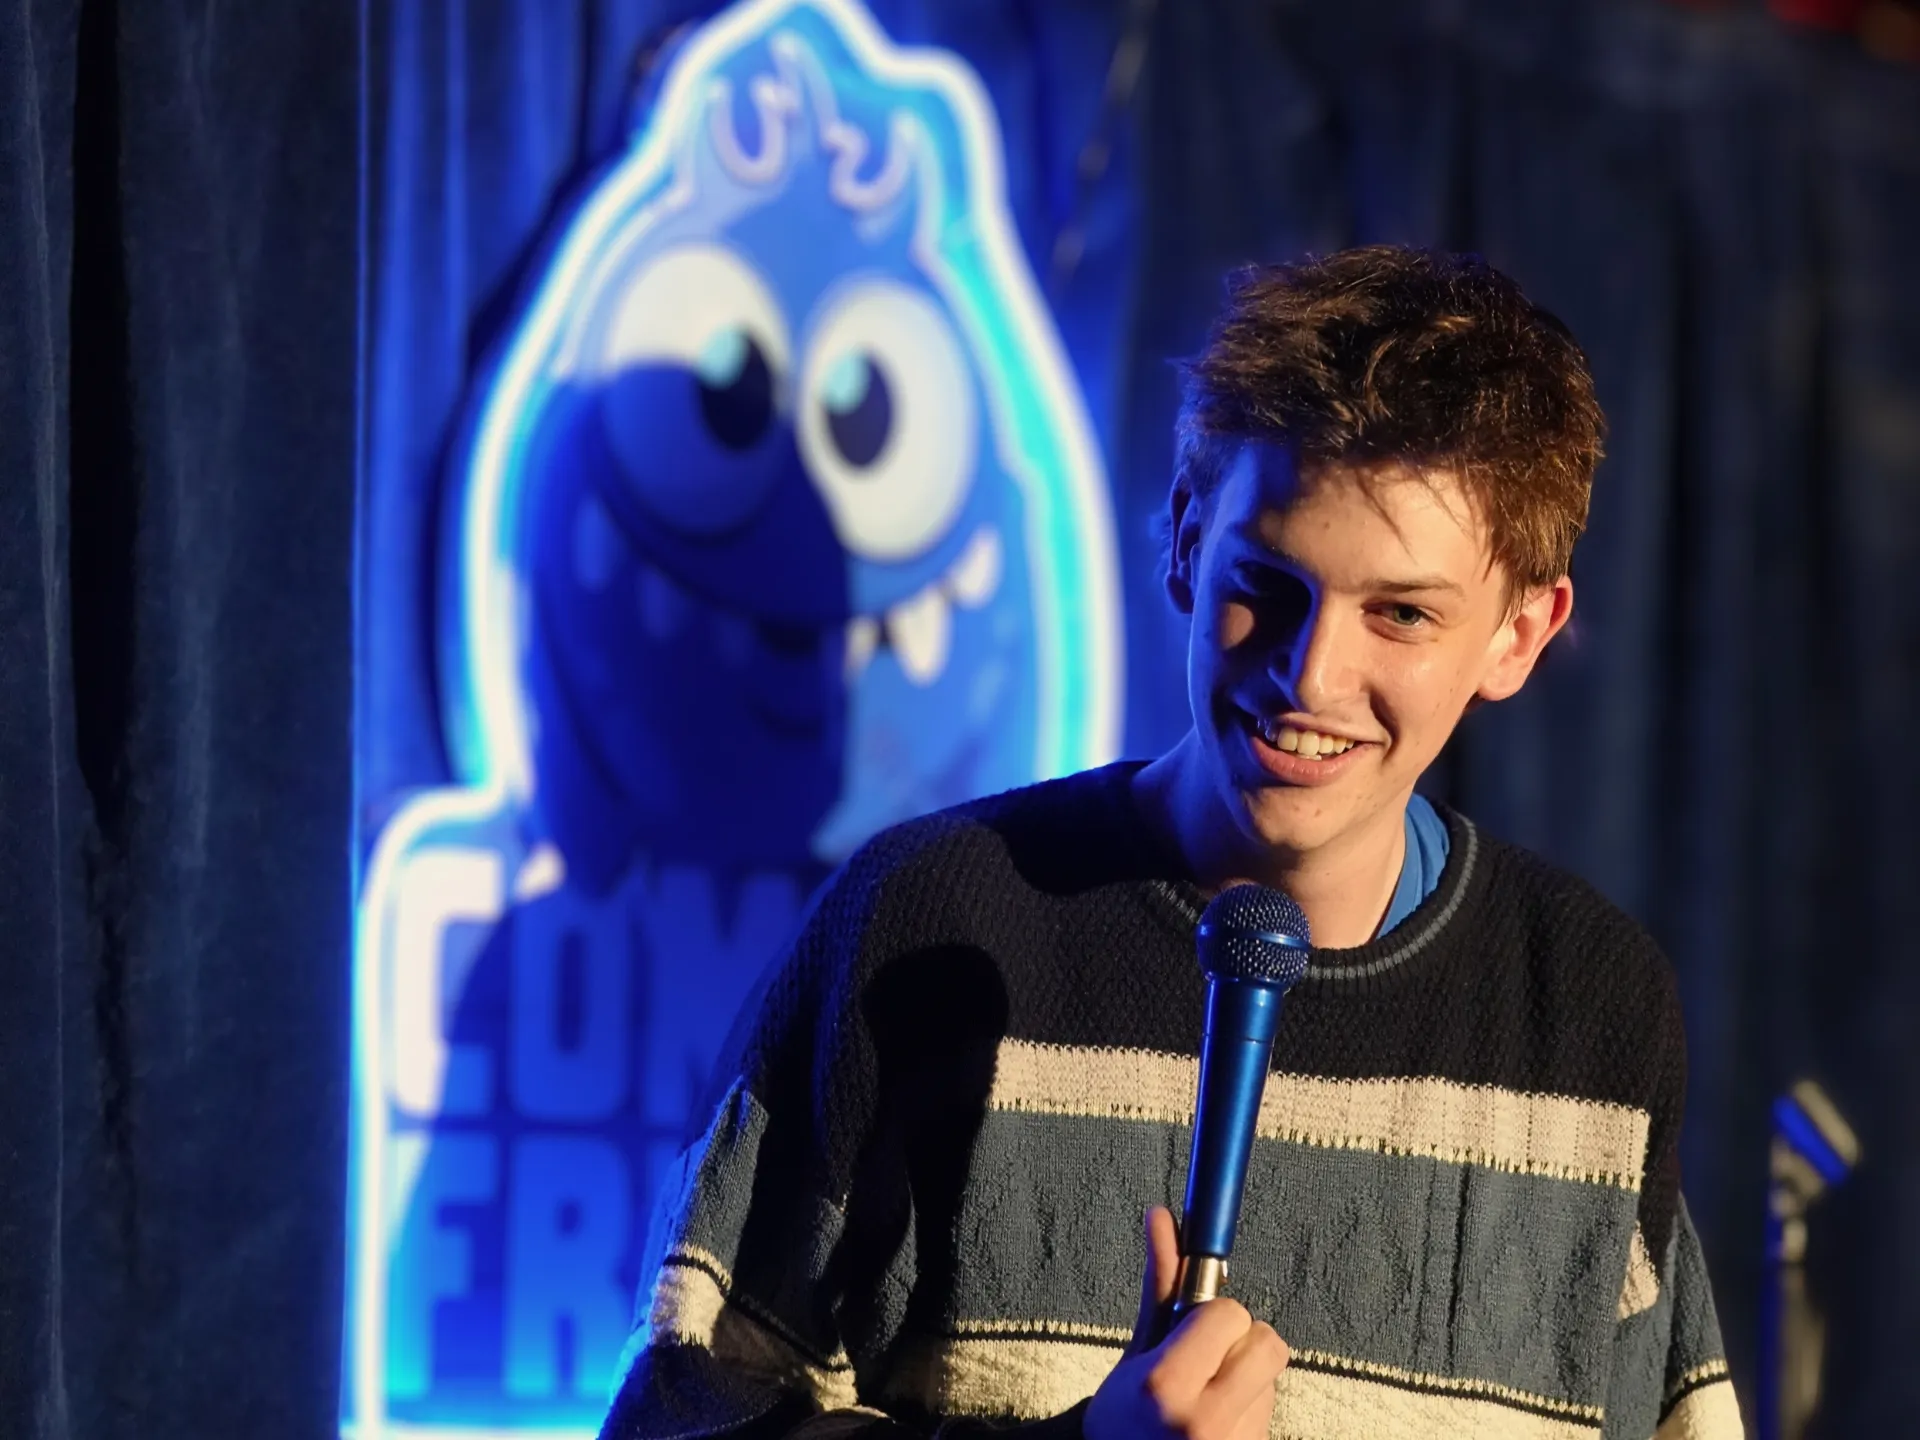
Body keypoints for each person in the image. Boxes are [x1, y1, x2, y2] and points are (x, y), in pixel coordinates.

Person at [599, 247, 1742, 1440]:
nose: (1311, 675)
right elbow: (677, 1415)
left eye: (1401, 613)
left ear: (1520, 634)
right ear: (1189, 539)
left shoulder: (1593, 1009)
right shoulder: (924, 924)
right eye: (1270, 586)